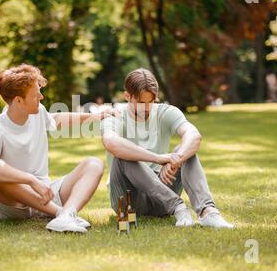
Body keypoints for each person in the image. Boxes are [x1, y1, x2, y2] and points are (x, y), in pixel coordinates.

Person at [0, 64, 118, 233]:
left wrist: (96, 116)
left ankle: (67, 215)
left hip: (46, 196)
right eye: (36, 95)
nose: (41, 97)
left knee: (94, 164)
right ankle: (61, 214)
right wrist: (30, 180)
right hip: (14, 205)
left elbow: (56, 119)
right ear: (19, 100)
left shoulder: (38, 112)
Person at [100, 68, 234, 229]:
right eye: (142, 102)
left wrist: (177, 159)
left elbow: (194, 135)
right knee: (122, 156)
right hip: (130, 201)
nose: (147, 108)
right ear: (127, 96)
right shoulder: (115, 115)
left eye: (152, 102)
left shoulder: (166, 112)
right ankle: (179, 208)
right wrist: (158, 158)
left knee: (184, 149)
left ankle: (208, 212)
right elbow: (111, 142)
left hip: (163, 191)